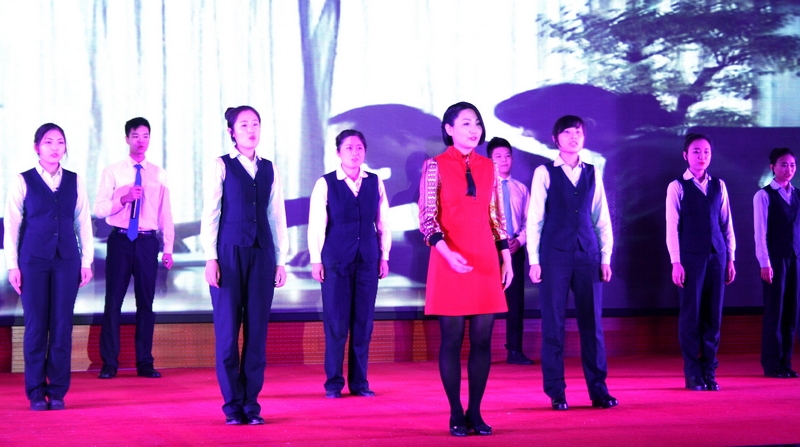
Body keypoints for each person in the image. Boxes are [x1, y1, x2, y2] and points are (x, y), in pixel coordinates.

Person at [419, 102, 512, 437]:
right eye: (466, 123)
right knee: (452, 340)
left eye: (477, 124)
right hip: (449, 259)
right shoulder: (435, 166)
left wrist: (506, 257)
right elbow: (427, 218)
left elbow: (496, 216)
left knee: (483, 340)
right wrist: (446, 253)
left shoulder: (490, 167)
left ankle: (475, 411)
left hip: (484, 259)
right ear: (449, 129)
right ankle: (456, 412)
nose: (474, 130)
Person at [201, 105, 289, 425]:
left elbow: (276, 216)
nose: (251, 130)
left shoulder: (269, 168)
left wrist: (281, 260)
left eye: (255, 124)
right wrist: (210, 257)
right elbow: (211, 212)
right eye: (244, 125)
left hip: (262, 256)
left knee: (256, 334)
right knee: (227, 334)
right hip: (228, 255)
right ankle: (232, 406)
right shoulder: (221, 165)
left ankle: (251, 404)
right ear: (231, 132)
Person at [527, 115, 617, 411]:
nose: (574, 137)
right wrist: (534, 260)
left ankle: (599, 390)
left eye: (578, 132)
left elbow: (601, 217)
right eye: (567, 133)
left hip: (587, 255)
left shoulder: (592, 171)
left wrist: (605, 256)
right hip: (554, 256)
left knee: (592, 325)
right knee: (553, 325)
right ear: (556, 139)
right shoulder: (544, 172)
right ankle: (556, 391)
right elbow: (535, 219)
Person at [4, 123, 94, 410]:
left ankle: (57, 390)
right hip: (32, 261)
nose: (55, 148)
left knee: (61, 325)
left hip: (67, 261)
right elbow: (12, 226)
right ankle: (34, 391)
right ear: (37, 147)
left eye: (60, 142)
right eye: (48, 142)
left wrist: (87, 260)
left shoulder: (74, 180)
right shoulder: (22, 181)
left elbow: (83, 222)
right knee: (35, 326)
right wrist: (12, 265)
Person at [308, 129, 391, 398]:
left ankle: (360, 383)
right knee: (336, 322)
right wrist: (316, 260)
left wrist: (384, 255)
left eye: (359, 148)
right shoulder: (326, 183)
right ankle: (333, 383)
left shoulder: (374, 181)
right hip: (335, 261)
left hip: (367, 260)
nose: (354, 153)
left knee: (363, 322)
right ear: (338, 153)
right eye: (348, 148)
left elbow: (383, 222)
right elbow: (316, 225)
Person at [95, 117, 175, 380]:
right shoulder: (113, 171)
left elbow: (165, 213)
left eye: (145, 136)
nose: (141, 141)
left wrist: (168, 247)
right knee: (113, 301)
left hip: (147, 242)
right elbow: (100, 209)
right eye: (136, 136)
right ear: (127, 139)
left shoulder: (159, 174)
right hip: (120, 240)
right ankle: (109, 363)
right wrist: (123, 198)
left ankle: (145, 362)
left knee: (146, 302)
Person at [666, 133, 736, 391]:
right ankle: (693, 373)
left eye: (706, 151)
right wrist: (676, 262)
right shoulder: (677, 186)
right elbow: (671, 227)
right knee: (691, 317)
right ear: (685, 155)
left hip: (718, 256)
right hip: (690, 259)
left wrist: (731, 258)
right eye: (696, 151)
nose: (702, 156)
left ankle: (709, 371)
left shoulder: (719, 185)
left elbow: (727, 224)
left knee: (713, 316)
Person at [487, 137, 534, 366]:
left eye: (507, 156)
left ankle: (515, 350)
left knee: (515, 303)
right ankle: (482, 351)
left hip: (514, 250)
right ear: (490, 160)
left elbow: (529, 221)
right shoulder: (483, 188)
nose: (504, 160)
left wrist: (520, 241)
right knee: (485, 302)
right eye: (498, 156)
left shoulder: (521, 189)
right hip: (488, 250)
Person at [753, 147, 799, 379]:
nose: (788, 169)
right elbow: (760, 233)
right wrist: (765, 262)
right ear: (772, 167)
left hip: (795, 259)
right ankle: (772, 364)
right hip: (775, 261)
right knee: (775, 312)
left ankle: (785, 362)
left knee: (791, 312)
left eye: (792, 165)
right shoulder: (764, 196)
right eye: (783, 164)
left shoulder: (798, 195)